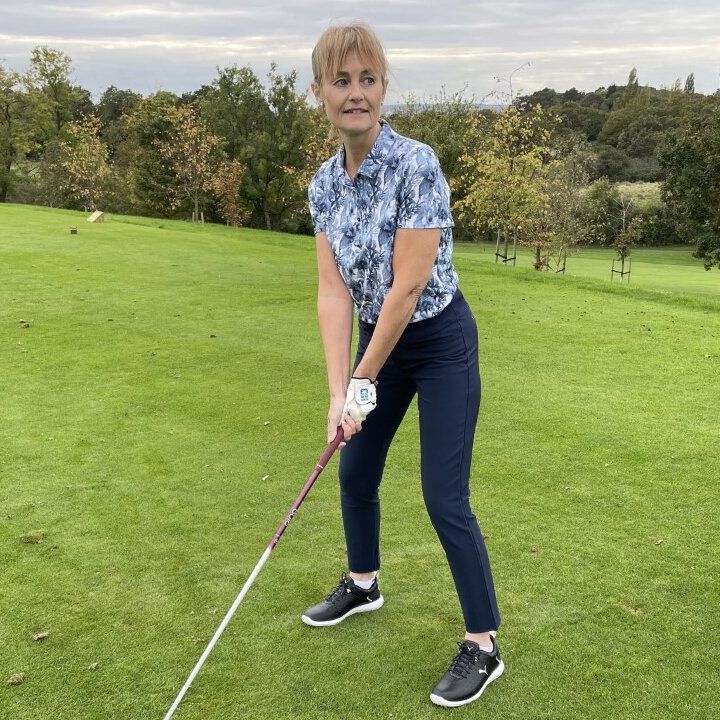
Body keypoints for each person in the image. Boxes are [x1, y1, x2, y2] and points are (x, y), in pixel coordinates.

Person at [302, 22, 503, 707]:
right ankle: (363, 584)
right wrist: (339, 392)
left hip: (439, 340)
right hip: (377, 341)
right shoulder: (323, 185)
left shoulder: (417, 164)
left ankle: (483, 644)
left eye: (367, 79)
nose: (355, 93)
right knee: (354, 469)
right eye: (341, 81)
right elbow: (333, 292)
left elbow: (408, 288)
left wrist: (363, 380)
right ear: (320, 93)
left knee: (444, 497)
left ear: (384, 87)